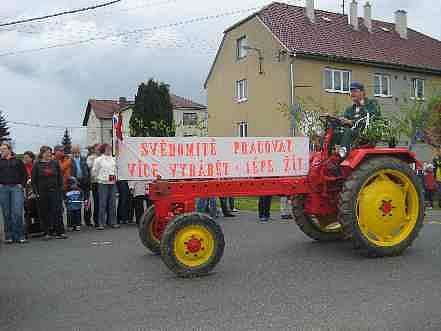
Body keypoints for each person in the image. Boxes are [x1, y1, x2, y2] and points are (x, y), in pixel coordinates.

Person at [32, 146, 67, 240]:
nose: (48, 154)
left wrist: (60, 189)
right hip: (42, 192)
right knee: (44, 212)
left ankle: (60, 232)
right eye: (46, 152)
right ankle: (46, 233)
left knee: (57, 211)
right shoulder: (37, 165)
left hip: (55, 191)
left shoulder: (55, 163)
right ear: (42, 153)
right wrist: (36, 192)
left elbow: (60, 177)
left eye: (50, 152)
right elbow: (34, 180)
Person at [336, 81, 381, 155]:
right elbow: (344, 119)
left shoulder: (372, 104)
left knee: (348, 131)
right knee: (333, 133)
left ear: (362, 92)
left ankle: (344, 156)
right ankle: (326, 156)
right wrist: (338, 119)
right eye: (351, 91)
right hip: (352, 133)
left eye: (355, 91)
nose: (352, 94)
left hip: (365, 134)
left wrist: (351, 122)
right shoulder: (350, 109)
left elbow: (373, 118)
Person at [0, 143, 27, 244]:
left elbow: (24, 174)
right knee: (6, 213)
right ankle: (8, 236)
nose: (1, 151)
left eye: (3, 149)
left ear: (9, 150)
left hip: (16, 187)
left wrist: (22, 184)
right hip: (3, 188)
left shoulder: (18, 161)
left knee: (17, 212)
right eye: (0, 150)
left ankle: (19, 235)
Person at [92, 144, 119, 229]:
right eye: (107, 149)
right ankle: (101, 223)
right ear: (103, 149)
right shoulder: (98, 160)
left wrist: (115, 178)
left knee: (113, 204)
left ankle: (113, 222)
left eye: (110, 149)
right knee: (102, 204)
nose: (109, 150)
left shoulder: (114, 159)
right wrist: (99, 178)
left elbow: (116, 170)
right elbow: (94, 171)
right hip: (103, 183)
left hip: (112, 183)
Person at [70, 145, 91, 227]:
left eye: (78, 152)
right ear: (72, 153)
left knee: (87, 202)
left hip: (85, 183)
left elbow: (88, 171)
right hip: (75, 183)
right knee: (76, 203)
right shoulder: (70, 160)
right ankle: (76, 222)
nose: (76, 153)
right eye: (75, 152)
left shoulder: (84, 159)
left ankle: (88, 221)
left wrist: (88, 180)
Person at [23, 151, 39, 237]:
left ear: (31, 158)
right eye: (24, 158)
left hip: (35, 190)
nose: (25, 159)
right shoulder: (22, 167)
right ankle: (27, 228)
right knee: (28, 210)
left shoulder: (35, 166)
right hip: (26, 191)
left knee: (37, 209)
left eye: (27, 158)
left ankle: (38, 227)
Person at [87, 144, 100, 227]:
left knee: (102, 202)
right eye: (97, 149)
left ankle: (102, 219)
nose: (99, 150)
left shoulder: (103, 157)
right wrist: (95, 159)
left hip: (103, 181)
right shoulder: (91, 157)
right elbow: (89, 165)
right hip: (95, 181)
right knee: (97, 202)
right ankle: (96, 220)